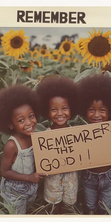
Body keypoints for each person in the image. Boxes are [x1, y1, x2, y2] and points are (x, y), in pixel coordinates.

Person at [0, 84, 45, 214]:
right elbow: (4, 172)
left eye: (31, 116)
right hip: (14, 192)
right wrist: (29, 177)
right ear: (10, 125)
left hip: (31, 187)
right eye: (21, 120)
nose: (29, 123)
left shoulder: (34, 137)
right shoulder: (12, 145)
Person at [76, 74, 111, 215]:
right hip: (89, 177)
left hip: (109, 178)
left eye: (102, 110)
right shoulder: (82, 134)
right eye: (91, 110)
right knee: (89, 205)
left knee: (107, 207)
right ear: (84, 109)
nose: (96, 115)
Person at [35, 75, 79, 214]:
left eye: (64, 108)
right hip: (52, 181)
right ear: (46, 112)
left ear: (72, 109)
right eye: (54, 109)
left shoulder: (78, 134)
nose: (60, 113)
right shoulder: (45, 136)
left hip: (71, 180)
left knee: (69, 206)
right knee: (52, 207)